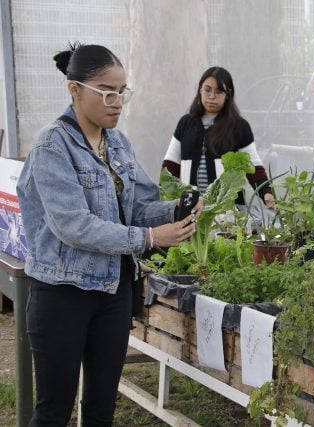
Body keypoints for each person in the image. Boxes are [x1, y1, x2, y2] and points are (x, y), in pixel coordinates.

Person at [16, 43, 202, 426]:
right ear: (75, 90)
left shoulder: (117, 142)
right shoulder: (53, 145)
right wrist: (150, 239)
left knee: (101, 406)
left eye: (122, 92)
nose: (117, 102)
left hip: (113, 291)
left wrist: (177, 210)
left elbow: (136, 207)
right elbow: (74, 226)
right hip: (63, 294)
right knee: (53, 410)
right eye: (107, 91)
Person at [162, 66, 276, 209]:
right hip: (190, 207)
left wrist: (266, 192)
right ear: (200, 90)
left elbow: (253, 166)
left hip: (227, 209)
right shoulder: (185, 123)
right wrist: (166, 199)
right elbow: (170, 165)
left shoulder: (239, 127)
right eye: (207, 90)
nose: (211, 96)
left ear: (228, 95)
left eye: (218, 92)